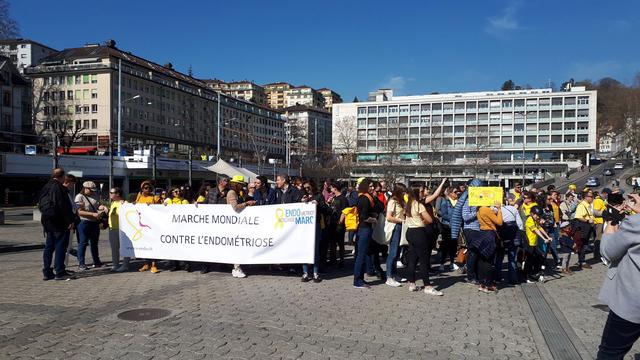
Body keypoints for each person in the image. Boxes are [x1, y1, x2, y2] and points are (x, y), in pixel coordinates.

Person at [596, 194, 640, 359]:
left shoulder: (635, 224)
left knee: (610, 352)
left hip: (632, 304)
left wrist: (612, 222)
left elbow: (608, 252)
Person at [404, 188, 443, 296]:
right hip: (419, 232)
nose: (423, 193)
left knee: (413, 258)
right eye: (421, 191)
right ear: (417, 193)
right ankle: (427, 286)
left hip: (410, 231)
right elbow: (430, 219)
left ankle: (412, 283)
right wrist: (423, 220)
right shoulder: (418, 205)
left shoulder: (408, 204)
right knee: (424, 260)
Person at [39, 168, 75, 281]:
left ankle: (47, 271)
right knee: (60, 246)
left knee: (49, 247)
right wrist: (69, 220)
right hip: (59, 222)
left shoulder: (46, 186)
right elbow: (62, 205)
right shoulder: (59, 187)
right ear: (62, 176)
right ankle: (60, 271)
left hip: (47, 221)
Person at [227, 175, 257, 278]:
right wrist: (246, 203)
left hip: (238, 223)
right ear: (236, 184)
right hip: (234, 223)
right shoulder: (231, 193)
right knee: (236, 246)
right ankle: (236, 268)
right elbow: (235, 207)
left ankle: (237, 266)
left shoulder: (238, 193)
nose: (242, 187)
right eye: (241, 184)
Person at [301, 179, 328, 282]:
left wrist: (318, 205)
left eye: (308, 187)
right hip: (304, 225)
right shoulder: (303, 196)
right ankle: (305, 272)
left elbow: (326, 210)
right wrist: (302, 202)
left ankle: (316, 273)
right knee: (304, 249)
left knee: (315, 249)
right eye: (305, 188)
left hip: (315, 225)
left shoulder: (319, 196)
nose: (307, 190)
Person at [75, 181, 107, 270]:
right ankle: (81, 263)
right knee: (83, 242)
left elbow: (97, 206)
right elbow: (79, 212)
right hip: (84, 222)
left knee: (94, 243)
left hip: (95, 222)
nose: (93, 192)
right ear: (85, 188)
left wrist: (102, 207)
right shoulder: (79, 197)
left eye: (94, 190)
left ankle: (96, 261)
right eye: (91, 190)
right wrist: (92, 214)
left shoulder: (95, 195)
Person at [353, 178, 377, 289]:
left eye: (373, 186)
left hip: (363, 229)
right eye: (370, 186)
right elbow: (364, 217)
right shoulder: (364, 198)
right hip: (364, 229)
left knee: (361, 255)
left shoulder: (364, 197)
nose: (372, 188)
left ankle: (360, 279)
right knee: (361, 255)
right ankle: (358, 281)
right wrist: (374, 219)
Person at [135, 180, 162, 273]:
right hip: (142, 226)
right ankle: (146, 263)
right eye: (146, 188)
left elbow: (161, 207)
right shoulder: (139, 198)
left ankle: (154, 265)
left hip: (152, 225)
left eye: (150, 188)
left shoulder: (154, 197)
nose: (148, 189)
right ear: (142, 189)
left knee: (153, 244)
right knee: (145, 245)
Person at [496, 193, 523, 285]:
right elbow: (520, 224)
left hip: (501, 235)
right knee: (512, 258)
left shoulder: (495, 209)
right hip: (513, 234)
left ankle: (498, 278)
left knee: (499, 257)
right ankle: (512, 279)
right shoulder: (513, 209)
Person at [475, 202, 502, 293]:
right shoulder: (485, 209)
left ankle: (482, 283)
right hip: (489, 234)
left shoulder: (478, 208)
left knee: (482, 260)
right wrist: (499, 209)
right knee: (489, 260)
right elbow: (499, 222)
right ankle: (488, 284)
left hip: (482, 232)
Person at [523, 206, 552, 283]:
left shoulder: (535, 220)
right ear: (532, 214)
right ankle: (526, 277)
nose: (538, 217)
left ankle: (535, 273)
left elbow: (540, 228)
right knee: (529, 260)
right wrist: (544, 239)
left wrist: (547, 236)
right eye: (537, 215)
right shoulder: (529, 220)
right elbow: (536, 230)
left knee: (539, 257)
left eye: (539, 216)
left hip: (534, 243)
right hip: (529, 244)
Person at [385, 183, 406, 287]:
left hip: (401, 227)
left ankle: (394, 274)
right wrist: (400, 220)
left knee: (397, 252)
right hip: (396, 227)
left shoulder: (400, 201)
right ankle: (389, 276)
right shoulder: (392, 201)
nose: (404, 193)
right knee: (392, 253)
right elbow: (389, 217)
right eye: (402, 191)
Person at [437, 187, 459, 272]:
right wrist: (454, 219)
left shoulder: (459, 203)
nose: (456, 193)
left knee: (453, 245)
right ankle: (442, 263)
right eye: (455, 192)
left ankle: (452, 262)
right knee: (445, 245)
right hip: (447, 225)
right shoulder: (445, 202)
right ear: (450, 193)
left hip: (456, 226)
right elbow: (444, 214)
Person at [326, 182, 348, 268]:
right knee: (332, 243)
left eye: (331, 188)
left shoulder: (343, 199)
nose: (330, 190)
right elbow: (330, 209)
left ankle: (342, 261)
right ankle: (333, 259)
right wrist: (328, 203)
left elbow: (345, 211)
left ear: (335, 188)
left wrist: (340, 222)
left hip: (339, 224)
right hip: (332, 223)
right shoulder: (334, 198)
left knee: (340, 243)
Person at [108, 187, 129, 272]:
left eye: (111, 192)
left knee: (124, 248)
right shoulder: (113, 203)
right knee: (114, 248)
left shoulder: (124, 202)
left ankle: (125, 265)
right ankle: (115, 265)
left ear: (118, 194)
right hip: (112, 228)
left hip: (122, 229)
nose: (110, 194)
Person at [574, 190, 595, 270]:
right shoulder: (582, 205)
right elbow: (578, 216)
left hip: (587, 226)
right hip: (583, 227)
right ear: (586, 197)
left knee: (584, 244)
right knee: (582, 245)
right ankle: (581, 262)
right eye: (591, 196)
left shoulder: (588, 205)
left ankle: (582, 261)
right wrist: (587, 220)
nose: (592, 198)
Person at [592, 189, 609, 263]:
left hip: (602, 221)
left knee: (600, 238)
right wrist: (605, 213)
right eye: (607, 195)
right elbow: (595, 212)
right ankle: (597, 255)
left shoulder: (601, 200)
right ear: (604, 193)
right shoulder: (598, 200)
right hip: (599, 222)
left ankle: (598, 254)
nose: (607, 196)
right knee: (598, 239)